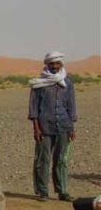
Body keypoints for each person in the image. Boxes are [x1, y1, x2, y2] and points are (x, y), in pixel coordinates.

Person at [28, 50, 77, 201]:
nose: (54, 66)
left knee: (61, 160)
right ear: (47, 64)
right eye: (51, 63)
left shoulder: (67, 83)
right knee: (43, 159)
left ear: (61, 63)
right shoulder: (39, 84)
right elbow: (34, 108)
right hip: (44, 127)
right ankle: (42, 192)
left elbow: (71, 106)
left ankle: (63, 191)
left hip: (63, 126)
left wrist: (71, 128)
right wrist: (36, 129)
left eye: (57, 63)